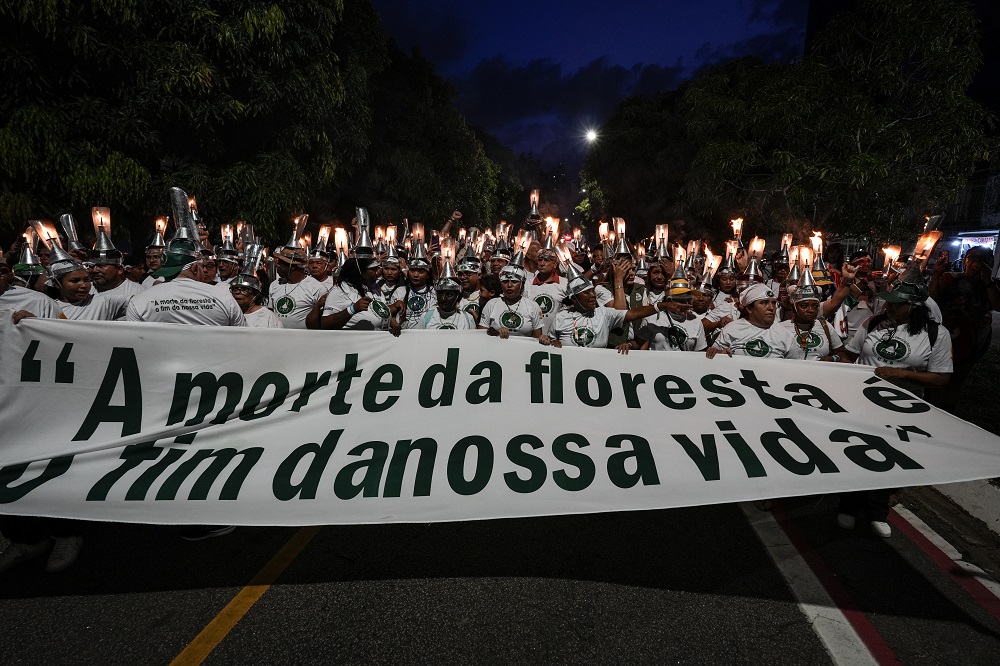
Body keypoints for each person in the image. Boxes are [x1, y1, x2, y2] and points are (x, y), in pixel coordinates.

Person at [837, 264, 953, 538]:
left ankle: (877, 512)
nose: (888, 308)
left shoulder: (936, 335)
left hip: (902, 410)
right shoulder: (873, 323)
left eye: (897, 305)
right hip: (863, 404)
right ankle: (849, 506)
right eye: (888, 303)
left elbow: (941, 378)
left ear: (914, 306)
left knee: (887, 458)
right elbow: (849, 355)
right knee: (856, 452)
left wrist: (901, 374)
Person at [927, 246, 1000, 412]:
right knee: (938, 374)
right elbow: (933, 298)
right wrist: (936, 274)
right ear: (965, 259)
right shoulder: (951, 278)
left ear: (990, 262)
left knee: (958, 377)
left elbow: (997, 304)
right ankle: (932, 409)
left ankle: (948, 412)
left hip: (976, 337)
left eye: (983, 258)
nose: (977, 262)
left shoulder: (992, 284)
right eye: (973, 257)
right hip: (949, 334)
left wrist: (987, 279)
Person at [549, 270, 681, 350]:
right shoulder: (560, 317)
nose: (593, 295)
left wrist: (661, 306)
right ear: (574, 299)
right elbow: (549, 343)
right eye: (587, 293)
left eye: (592, 291)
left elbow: (634, 313)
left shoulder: (604, 313)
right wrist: (550, 342)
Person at [706, 283, 798, 359]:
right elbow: (713, 354)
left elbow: (794, 367)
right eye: (764, 303)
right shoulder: (731, 329)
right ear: (749, 308)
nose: (771, 308)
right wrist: (720, 354)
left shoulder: (786, 335)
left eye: (773, 303)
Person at [319, 255, 401, 334]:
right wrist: (352, 309)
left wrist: (393, 323)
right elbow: (325, 323)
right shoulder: (340, 290)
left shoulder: (375, 288)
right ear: (360, 271)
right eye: (373, 269)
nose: (378, 272)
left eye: (377, 269)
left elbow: (379, 314)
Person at [777, 271, 845, 361]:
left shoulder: (825, 326)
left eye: (815, 306)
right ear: (793, 307)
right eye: (804, 306)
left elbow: (841, 353)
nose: (811, 310)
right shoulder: (781, 328)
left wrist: (834, 358)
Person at [479, 260, 545, 341]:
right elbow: (481, 335)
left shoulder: (533, 306)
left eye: (514, 282)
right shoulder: (491, 304)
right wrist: (494, 333)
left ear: (522, 284)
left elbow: (537, 339)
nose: (509, 285)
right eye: (505, 282)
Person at [268, 246, 327, 329]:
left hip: (303, 339)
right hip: (278, 338)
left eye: (281, 262)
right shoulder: (275, 285)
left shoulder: (316, 288)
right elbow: (270, 313)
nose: (277, 265)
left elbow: (321, 320)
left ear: (292, 266)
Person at [526, 245, 567, 334]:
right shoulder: (527, 284)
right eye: (540, 260)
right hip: (531, 338)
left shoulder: (565, 284)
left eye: (547, 260)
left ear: (555, 264)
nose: (542, 263)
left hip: (556, 337)